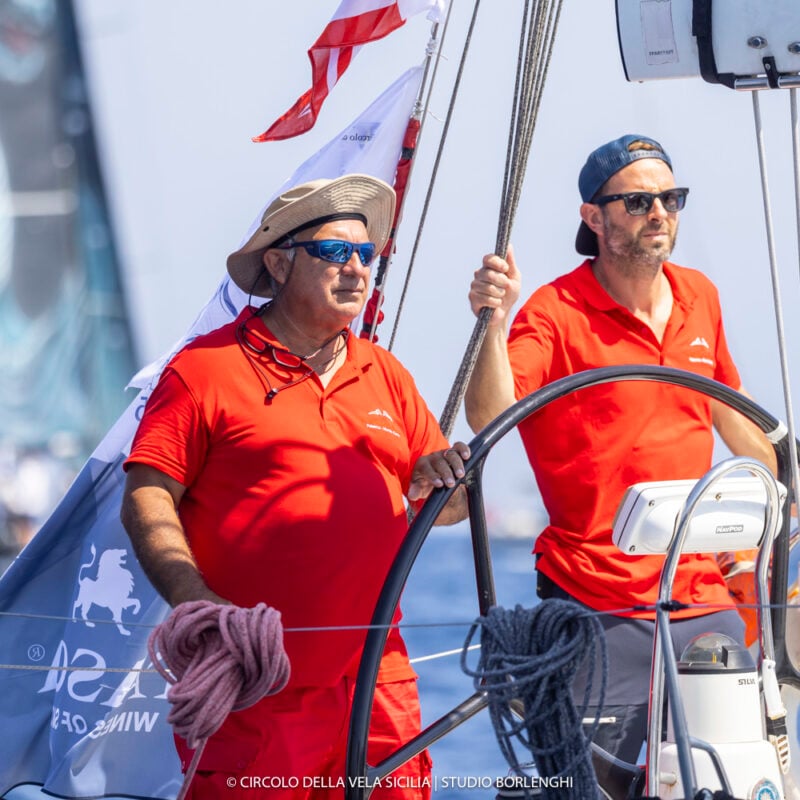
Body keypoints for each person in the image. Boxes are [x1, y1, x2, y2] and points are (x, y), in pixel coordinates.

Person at [121, 174, 470, 799]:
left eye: (367, 255)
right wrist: (197, 603)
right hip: (258, 683)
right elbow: (147, 497)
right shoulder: (205, 369)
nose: (357, 269)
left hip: (375, 676)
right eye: (335, 252)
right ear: (279, 263)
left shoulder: (383, 371)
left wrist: (436, 483)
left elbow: (449, 508)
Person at [465, 134, 777, 763]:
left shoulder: (700, 297)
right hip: (595, 603)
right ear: (594, 218)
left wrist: (782, 494)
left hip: (701, 600)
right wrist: (494, 321)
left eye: (670, 198)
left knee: (733, 773)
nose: (659, 212)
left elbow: (734, 416)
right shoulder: (554, 312)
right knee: (585, 782)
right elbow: (490, 416)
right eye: (638, 201)